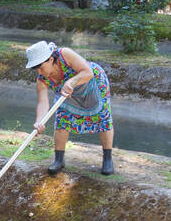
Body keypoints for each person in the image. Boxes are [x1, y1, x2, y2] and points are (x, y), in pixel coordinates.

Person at [24, 40, 115, 176]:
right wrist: (39, 122)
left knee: (102, 117)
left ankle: (107, 158)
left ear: (50, 59)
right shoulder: (41, 79)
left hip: (92, 83)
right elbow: (43, 103)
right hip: (68, 94)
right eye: (35, 69)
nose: (39, 72)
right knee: (62, 119)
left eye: (41, 67)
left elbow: (87, 72)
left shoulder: (65, 54)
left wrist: (71, 81)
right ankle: (59, 160)